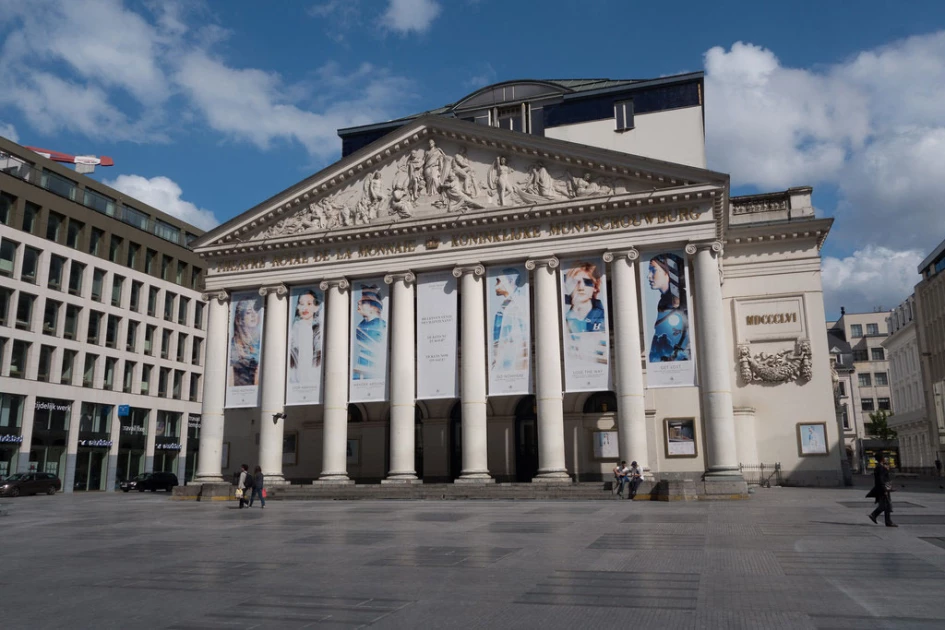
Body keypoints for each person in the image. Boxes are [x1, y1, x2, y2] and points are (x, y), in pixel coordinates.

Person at [647, 253, 690, 362]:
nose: (649, 276)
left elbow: (686, 332)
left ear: (669, 272)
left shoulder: (683, 301)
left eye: (653, 270)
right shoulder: (662, 302)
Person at [491, 268, 529, 373]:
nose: (496, 284)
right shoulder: (504, 306)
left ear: (511, 282)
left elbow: (521, 339)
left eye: (498, 280)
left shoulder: (519, 304)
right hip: (504, 361)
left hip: (515, 363)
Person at [353, 285, 387, 380]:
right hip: (357, 373)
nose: (358, 302)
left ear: (374, 307)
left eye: (363, 301)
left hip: (374, 374)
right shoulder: (360, 325)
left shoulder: (382, 326)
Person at [289, 290, 322, 385]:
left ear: (316, 307)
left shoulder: (319, 329)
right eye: (301, 304)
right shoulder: (294, 329)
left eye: (309, 304)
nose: (305, 308)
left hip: (314, 379)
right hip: (296, 380)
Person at [229, 297, 263, 386]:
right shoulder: (234, 344)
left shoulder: (260, 342)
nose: (253, 315)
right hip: (240, 391)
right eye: (248, 312)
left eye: (255, 311)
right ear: (240, 318)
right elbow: (230, 376)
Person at [564, 262, 606, 334]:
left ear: (595, 287)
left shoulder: (603, 317)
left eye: (587, 282)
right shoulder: (563, 318)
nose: (581, 287)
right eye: (576, 282)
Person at [867, 457, 896, 527]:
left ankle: (887, 521)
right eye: (884, 458)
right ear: (882, 459)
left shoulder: (879, 467)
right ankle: (874, 515)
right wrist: (884, 489)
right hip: (883, 489)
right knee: (886, 505)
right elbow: (881, 479)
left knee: (886, 505)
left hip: (883, 488)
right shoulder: (880, 468)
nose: (886, 459)